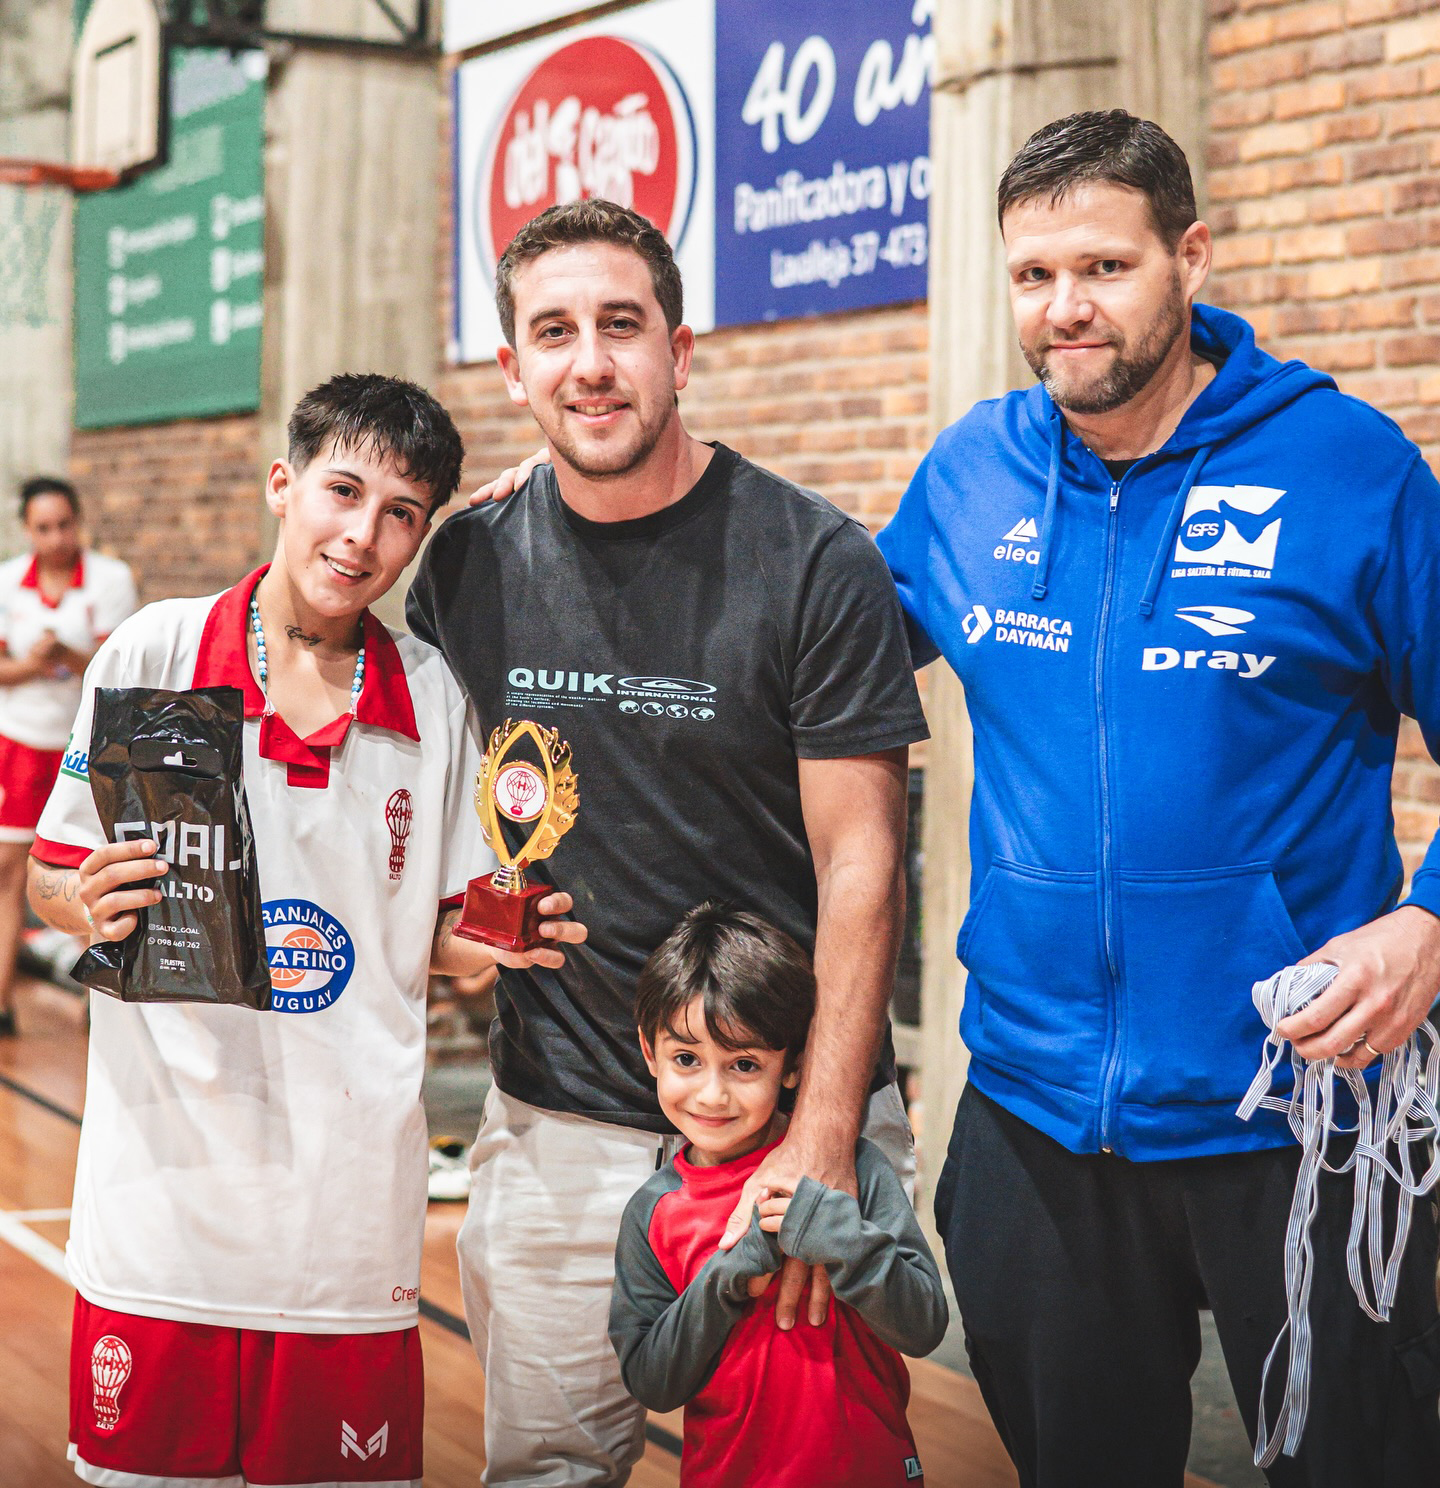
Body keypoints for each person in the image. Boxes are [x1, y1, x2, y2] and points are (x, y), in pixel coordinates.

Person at [876, 111, 1440, 1486]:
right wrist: (608, 526)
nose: (1065, 308)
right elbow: (807, 656)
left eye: (1106, 267)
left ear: (1189, 257)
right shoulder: (971, 476)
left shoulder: (1349, 471)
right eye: (1032, 276)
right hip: (1032, 1108)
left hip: (1299, 1111)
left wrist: (1429, 919)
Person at [405, 199, 929, 1485]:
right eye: (555, 332)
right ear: (512, 369)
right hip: (563, 1120)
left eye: (622, 326)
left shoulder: (813, 559)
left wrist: (820, 1137)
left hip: (782, 1117)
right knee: (548, 1471)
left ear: (680, 353)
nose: (591, 360)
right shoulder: (464, 561)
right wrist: (457, 932)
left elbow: (864, 869)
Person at [26, 374, 586, 1488]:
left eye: (401, 515)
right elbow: (51, 872)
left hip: (344, 1224)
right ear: (284, 487)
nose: (362, 535)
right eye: (343, 491)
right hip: (160, 1208)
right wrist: (81, 900)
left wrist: (501, 943)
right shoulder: (154, 651)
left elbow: (437, 937)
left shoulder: (432, 695)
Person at [609, 902, 947, 1488]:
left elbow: (924, 1326)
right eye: (686, 1059)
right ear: (649, 1052)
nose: (711, 1095)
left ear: (792, 1067)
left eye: (743, 1064)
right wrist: (728, 1276)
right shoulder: (653, 1212)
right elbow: (652, 1382)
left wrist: (842, 1237)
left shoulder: (852, 1170)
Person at [0, 477, 135, 1034]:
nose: (56, 538)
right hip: (21, 742)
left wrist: (68, 654)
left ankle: (94, 998)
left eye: (64, 525)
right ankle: (2, 1000)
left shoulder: (111, 580)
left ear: (79, 521)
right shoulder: (8, 583)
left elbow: (116, 672)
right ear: (27, 530)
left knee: (88, 868)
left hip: (85, 745)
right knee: (9, 872)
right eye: (43, 528)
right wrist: (35, 666)